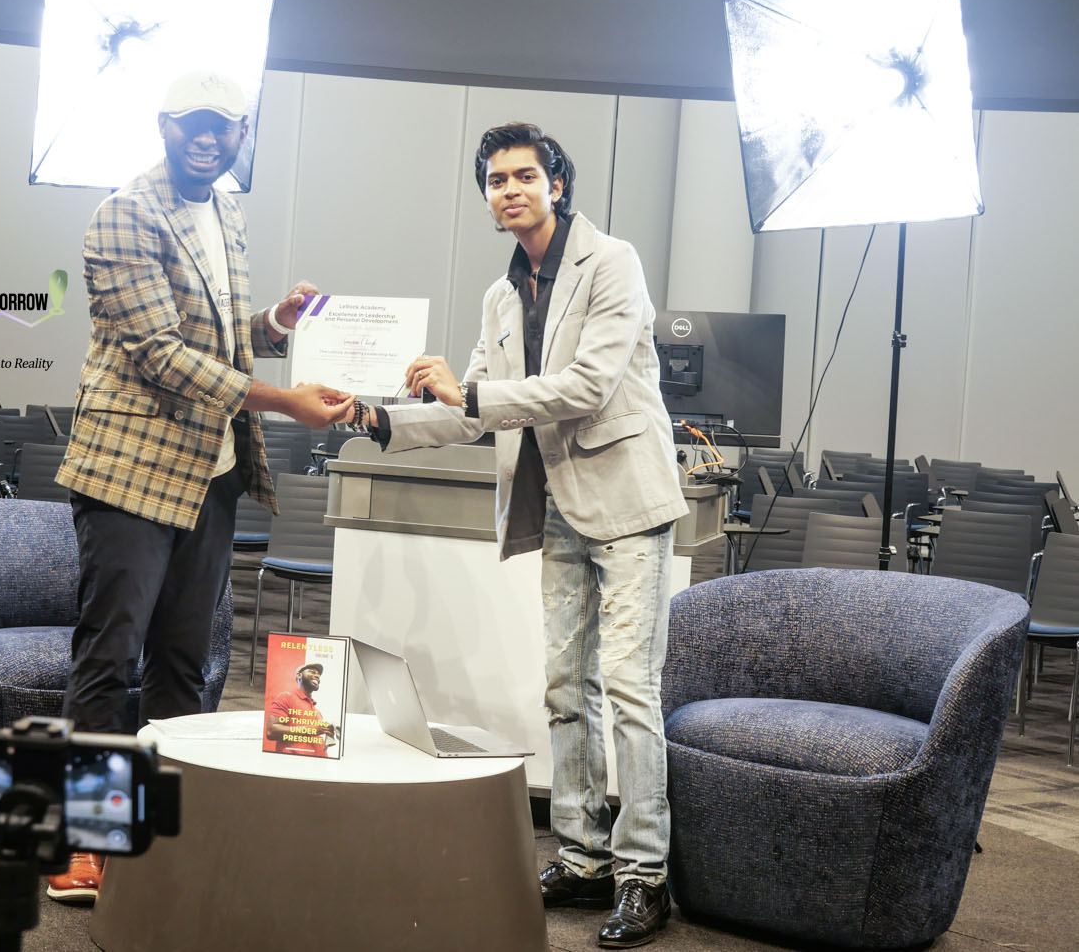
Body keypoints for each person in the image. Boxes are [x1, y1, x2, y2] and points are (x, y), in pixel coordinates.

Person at [356, 122, 687, 948]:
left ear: (557, 185)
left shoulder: (613, 262)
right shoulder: (501, 296)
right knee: (564, 686)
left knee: (630, 688)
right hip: (556, 505)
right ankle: (583, 857)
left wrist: (466, 396)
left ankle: (645, 874)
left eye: (525, 175)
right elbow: (468, 412)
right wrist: (381, 418)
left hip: (628, 501)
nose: (510, 189)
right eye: (496, 179)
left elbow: (583, 387)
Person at [47, 71, 355, 904]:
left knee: (188, 664)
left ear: (242, 132)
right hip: (129, 475)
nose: (207, 138)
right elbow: (159, 354)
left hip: (210, 471)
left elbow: (214, 337)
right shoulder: (123, 213)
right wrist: (285, 400)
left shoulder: (227, 212)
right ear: (163, 125)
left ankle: (162, 835)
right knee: (109, 657)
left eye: (222, 126)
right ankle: (86, 838)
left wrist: (275, 327)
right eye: (192, 124)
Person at [264, 662, 338, 756]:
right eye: (312, 672)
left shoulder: (317, 712)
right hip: (293, 763)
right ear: (299, 675)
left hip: (317, 765)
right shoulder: (286, 697)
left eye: (318, 675)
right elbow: (271, 731)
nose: (317, 675)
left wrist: (325, 730)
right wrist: (310, 730)